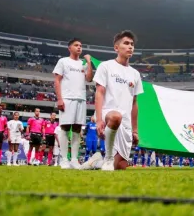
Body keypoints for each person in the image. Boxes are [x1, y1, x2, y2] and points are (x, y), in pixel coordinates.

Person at [84, 30, 144, 171]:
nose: (130, 47)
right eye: (126, 43)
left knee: (121, 167)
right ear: (116, 48)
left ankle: (97, 162)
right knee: (116, 116)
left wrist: (135, 131)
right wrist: (99, 119)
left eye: (132, 44)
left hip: (126, 123)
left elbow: (134, 103)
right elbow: (99, 93)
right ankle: (109, 158)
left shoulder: (135, 74)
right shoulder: (106, 66)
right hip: (108, 113)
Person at [53, 38, 93, 169]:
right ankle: (64, 159)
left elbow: (89, 78)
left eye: (81, 45)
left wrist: (88, 62)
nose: (79, 47)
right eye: (76, 45)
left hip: (81, 99)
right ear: (69, 48)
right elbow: (57, 80)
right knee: (65, 127)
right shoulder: (63, 61)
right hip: (67, 99)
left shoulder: (83, 63)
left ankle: (74, 160)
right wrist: (60, 99)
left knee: (77, 129)